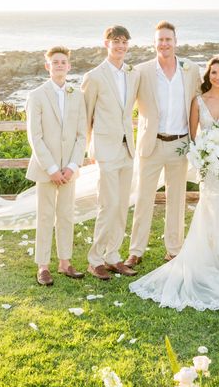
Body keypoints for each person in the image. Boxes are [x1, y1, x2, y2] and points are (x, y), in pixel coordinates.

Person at [129, 56, 219, 310]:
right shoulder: (198, 101)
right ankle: (211, 257)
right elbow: (192, 135)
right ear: (208, 75)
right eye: (214, 72)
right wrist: (205, 156)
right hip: (209, 164)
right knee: (210, 208)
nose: (218, 77)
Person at [125, 21, 201, 268]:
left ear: (176, 41)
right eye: (160, 40)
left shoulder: (191, 70)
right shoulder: (141, 71)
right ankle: (136, 250)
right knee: (144, 199)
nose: (164, 43)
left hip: (180, 145)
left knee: (176, 199)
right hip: (151, 144)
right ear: (154, 43)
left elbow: (200, 105)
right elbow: (124, 104)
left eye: (168, 39)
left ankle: (174, 249)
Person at [81, 26, 140, 281]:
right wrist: (88, 148)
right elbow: (85, 116)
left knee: (122, 204)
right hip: (105, 150)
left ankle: (113, 256)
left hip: (128, 148)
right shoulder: (93, 76)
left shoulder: (133, 73)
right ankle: (95, 259)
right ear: (106, 43)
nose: (120, 46)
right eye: (116, 41)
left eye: (124, 42)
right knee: (108, 204)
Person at [26, 46, 87, 286]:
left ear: (69, 66)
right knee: (45, 215)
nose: (60, 65)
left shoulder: (77, 95)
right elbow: (35, 136)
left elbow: (82, 135)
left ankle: (65, 262)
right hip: (46, 169)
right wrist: (51, 169)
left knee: (66, 214)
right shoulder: (37, 95)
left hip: (69, 169)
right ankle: (43, 265)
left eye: (63, 62)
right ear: (47, 66)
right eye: (55, 62)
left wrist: (72, 165)